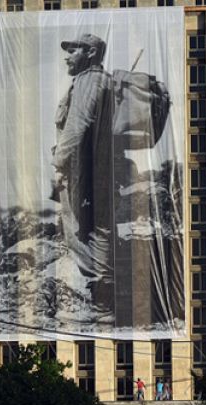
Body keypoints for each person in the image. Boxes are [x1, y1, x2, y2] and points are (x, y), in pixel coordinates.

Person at [50, 33, 117, 317]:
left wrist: (58, 164)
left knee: (81, 232)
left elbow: (77, 126)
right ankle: (103, 299)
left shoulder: (91, 80)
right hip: (91, 167)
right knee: (88, 230)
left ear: (90, 53)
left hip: (86, 170)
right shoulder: (87, 80)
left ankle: (103, 302)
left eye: (73, 49)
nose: (67, 55)